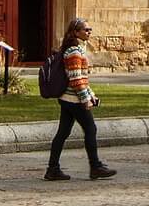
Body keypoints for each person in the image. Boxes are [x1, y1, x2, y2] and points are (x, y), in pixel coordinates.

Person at [46, 17, 116, 182]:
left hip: (67, 98)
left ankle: (52, 169)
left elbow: (82, 78)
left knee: (63, 133)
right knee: (90, 129)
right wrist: (85, 99)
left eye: (90, 29)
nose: (89, 32)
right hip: (74, 99)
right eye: (86, 29)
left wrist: (92, 95)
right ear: (76, 32)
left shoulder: (74, 49)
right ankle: (95, 167)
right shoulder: (74, 52)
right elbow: (76, 79)